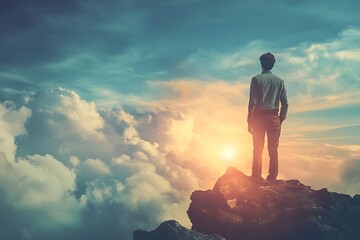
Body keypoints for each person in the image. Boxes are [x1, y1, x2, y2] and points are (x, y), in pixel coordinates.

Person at [247, 52, 288, 181]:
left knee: (258, 149)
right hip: (274, 117)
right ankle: (272, 177)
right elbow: (285, 103)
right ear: (273, 64)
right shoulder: (280, 81)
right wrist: (280, 118)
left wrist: (249, 121)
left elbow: (252, 103)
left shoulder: (256, 79)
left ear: (261, 64)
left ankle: (256, 176)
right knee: (273, 150)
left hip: (259, 118)